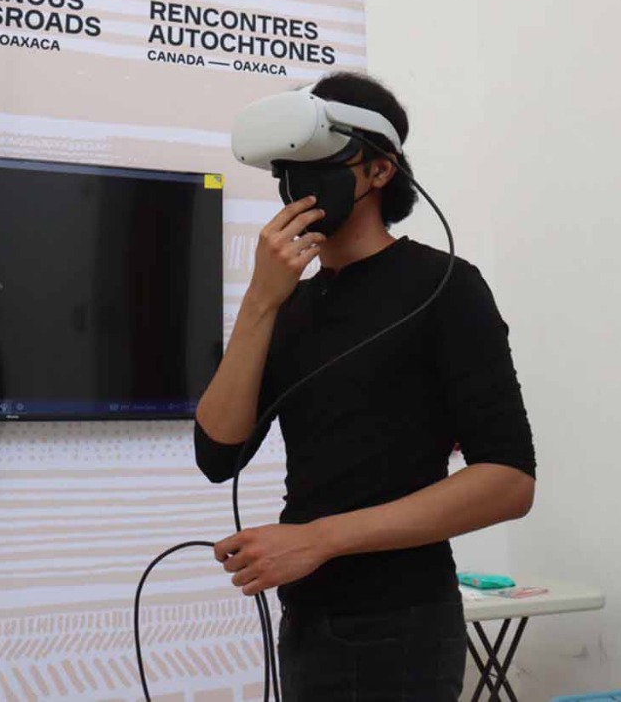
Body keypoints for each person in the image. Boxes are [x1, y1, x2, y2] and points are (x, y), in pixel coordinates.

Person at [194, 71, 537, 701]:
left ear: (380, 170)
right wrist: (260, 301)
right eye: (287, 169)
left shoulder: (446, 288)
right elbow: (218, 453)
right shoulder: (288, 306)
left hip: (402, 624)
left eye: (318, 162)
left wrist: (317, 540)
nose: (298, 183)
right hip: (306, 620)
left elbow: (509, 481)